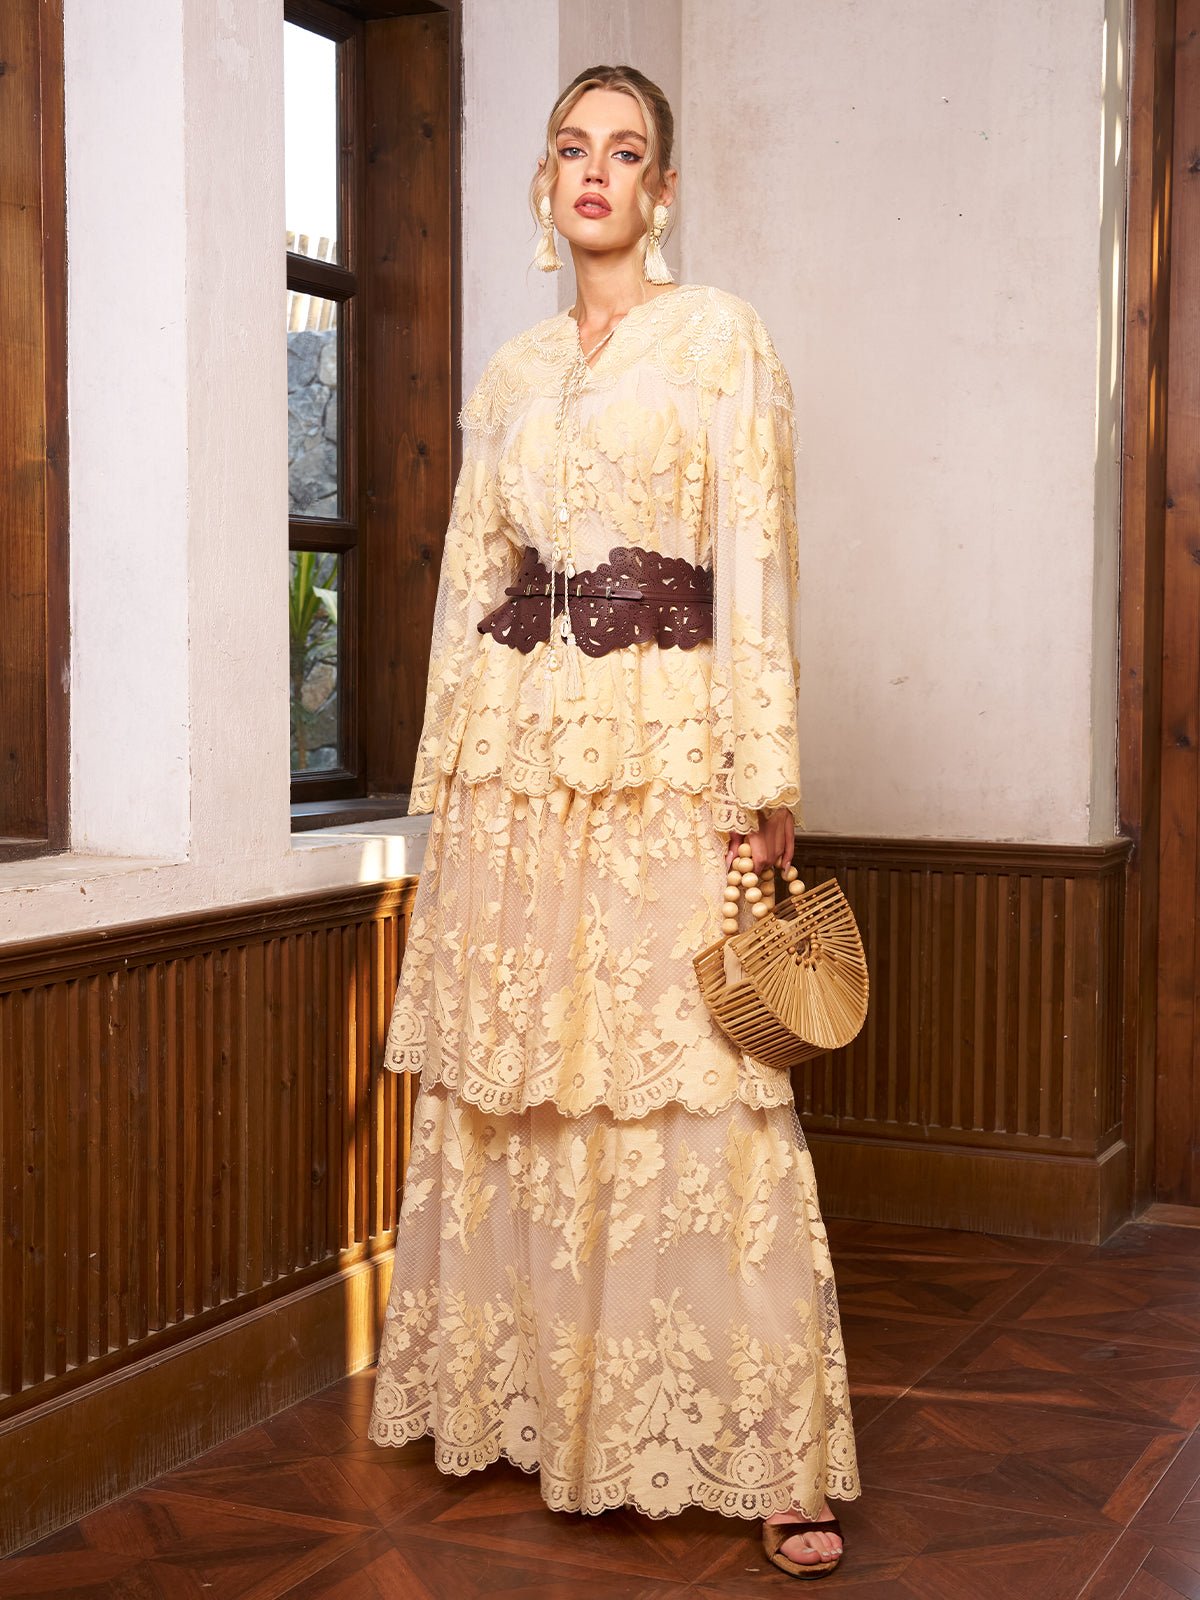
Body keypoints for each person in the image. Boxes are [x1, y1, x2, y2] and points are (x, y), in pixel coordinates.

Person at [367, 63, 860, 1581]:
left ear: (661, 190)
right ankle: (535, 1408)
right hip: (523, 754)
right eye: (573, 146)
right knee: (534, 1070)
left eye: (627, 149)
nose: (596, 170)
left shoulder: (722, 341)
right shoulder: (510, 375)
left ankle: (768, 1452)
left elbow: (758, 551)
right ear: (545, 182)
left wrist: (763, 771)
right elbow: (469, 578)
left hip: (664, 740)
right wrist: (444, 781)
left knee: (696, 1068)